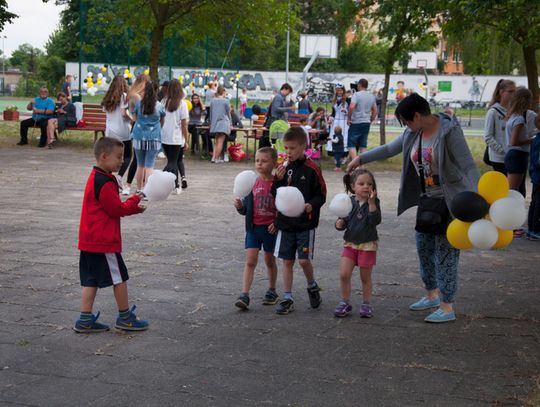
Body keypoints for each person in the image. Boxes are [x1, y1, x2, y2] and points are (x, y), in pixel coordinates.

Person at [347, 93, 479, 323]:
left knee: (446, 253)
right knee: (424, 248)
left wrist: (476, 197)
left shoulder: (449, 131)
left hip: (450, 201)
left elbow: (467, 164)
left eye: (408, 121)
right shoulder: (413, 132)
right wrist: (361, 159)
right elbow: (390, 149)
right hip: (427, 201)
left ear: (418, 115)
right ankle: (431, 295)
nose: (406, 126)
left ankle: (447, 307)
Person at [74, 137, 148, 333]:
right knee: (119, 278)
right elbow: (116, 209)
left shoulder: (95, 176)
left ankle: (84, 319)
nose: (122, 161)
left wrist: (133, 200)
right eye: (119, 157)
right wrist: (134, 204)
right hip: (103, 241)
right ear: (104, 156)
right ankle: (125, 317)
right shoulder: (105, 182)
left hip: (89, 240)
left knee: (91, 280)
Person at [271, 127, 327, 315]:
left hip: (305, 224)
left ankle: (312, 285)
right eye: (286, 148)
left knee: (303, 261)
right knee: (287, 261)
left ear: (304, 146)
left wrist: (311, 205)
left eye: (293, 148)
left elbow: (321, 195)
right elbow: (275, 195)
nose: (288, 152)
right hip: (286, 224)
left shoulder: (313, 169)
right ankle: (287, 297)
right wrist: (277, 180)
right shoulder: (282, 168)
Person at [234, 147, 280, 310]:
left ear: (274, 163)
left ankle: (272, 290)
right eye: (257, 160)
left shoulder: (278, 184)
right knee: (250, 261)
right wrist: (240, 207)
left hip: (271, 230)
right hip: (253, 229)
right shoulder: (251, 183)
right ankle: (244, 294)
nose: (259, 164)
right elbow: (246, 209)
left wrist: (277, 223)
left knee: (269, 261)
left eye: (264, 161)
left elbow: (283, 208)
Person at [334, 168, 381, 317]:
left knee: (365, 277)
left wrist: (372, 203)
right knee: (344, 274)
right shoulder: (349, 202)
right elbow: (344, 220)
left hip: (367, 245)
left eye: (369, 184)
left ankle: (366, 304)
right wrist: (339, 223)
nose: (366, 186)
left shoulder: (374, 202)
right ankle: (345, 302)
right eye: (361, 183)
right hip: (350, 244)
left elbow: (375, 221)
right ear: (353, 186)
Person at [132, 81, 166, 189]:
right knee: (149, 165)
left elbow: (134, 119)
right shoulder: (160, 106)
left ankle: (139, 189)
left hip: (138, 136)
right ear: (156, 91)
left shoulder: (139, 104)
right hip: (154, 137)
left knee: (140, 164)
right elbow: (162, 121)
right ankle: (147, 190)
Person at [101, 75, 132, 192]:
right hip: (123, 130)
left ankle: (107, 180)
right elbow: (124, 114)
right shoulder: (124, 96)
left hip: (110, 131)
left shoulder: (107, 97)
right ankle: (119, 177)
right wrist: (132, 119)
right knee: (128, 155)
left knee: (110, 156)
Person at [504, 87, 534, 199]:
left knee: (514, 189)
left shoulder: (513, 116)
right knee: (513, 191)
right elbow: (514, 141)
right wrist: (533, 139)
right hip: (518, 155)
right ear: (525, 100)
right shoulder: (520, 119)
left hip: (513, 155)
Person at [161, 79, 189, 193]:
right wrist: (186, 140)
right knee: (173, 162)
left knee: (171, 161)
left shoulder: (163, 102)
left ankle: (176, 185)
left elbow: (161, 120)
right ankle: (160, 177)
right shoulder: (182, 103)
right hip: (176, 137)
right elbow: (184, 124)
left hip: (164, 136)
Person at [124, 73, 150, 194]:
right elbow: (142, 113)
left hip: (137, 126)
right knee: (139, 160)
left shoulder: (133, 95)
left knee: (140, 160)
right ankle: (131, 185)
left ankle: (134, 185)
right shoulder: (137, 97)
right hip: (141, 127)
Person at [347, 78, 377, 160]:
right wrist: (371, 119)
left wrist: (349, 118)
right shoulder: (371, 96)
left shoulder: (356, 95)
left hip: (356, 121)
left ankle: (355, 163)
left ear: (359, 85)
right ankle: (363, 164)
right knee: (363, 145)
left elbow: (352, 106)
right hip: (366, 122)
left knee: (351, 143)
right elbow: (375, 110)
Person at [262, 83, 294, 147]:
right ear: (285, 89)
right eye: (289, 92)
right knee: (276, 140)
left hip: (276, 121)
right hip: (275, 121)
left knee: (276, 139)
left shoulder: (280, 97)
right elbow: (276, 108)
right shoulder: (278, 97)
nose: (288, 94)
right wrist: (288, 108)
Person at [209, 85, 231, 163]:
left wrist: (211, 123)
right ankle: (216, 159)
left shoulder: (212, 100)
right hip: (224, 122)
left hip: (215, 122)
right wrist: (230, 124)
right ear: (223, 92)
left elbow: (211, 113)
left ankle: (213, 158)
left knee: (216, 141)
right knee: (221, 141)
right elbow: (228, 114)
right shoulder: (226, 101)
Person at [327, 84, 350, 158]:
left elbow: (351, 111)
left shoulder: (348, 99)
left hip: (344, 122)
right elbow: (334, 113)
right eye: (337, 90)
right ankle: (336, 155)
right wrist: (331, 117)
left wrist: (346, 111)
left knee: (344, 137)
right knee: (334, 137)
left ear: (343, 90)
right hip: (335, 122)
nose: (339, 91)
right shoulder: (334, 100)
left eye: (340, 90)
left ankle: (344, 155)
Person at [527, 115, 540, 241]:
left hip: (536, 174)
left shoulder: (536, 138)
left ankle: (531, 229)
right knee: (538, 203)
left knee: (534, 202)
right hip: (539, 175)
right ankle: (535, 230)